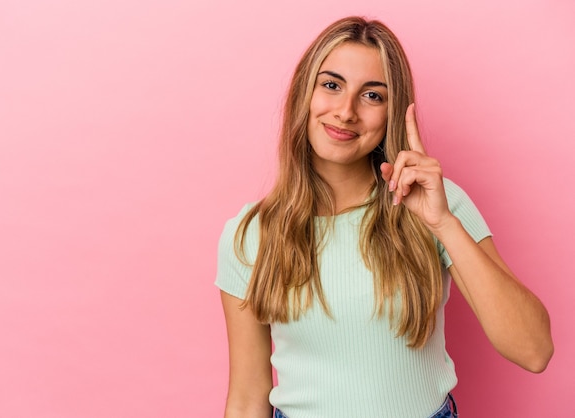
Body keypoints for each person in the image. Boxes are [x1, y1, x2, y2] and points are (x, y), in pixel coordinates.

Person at [215, 16, 553, 418]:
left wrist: (443, 223)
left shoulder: (436, 204)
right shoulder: (250, 234)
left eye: (372, 96)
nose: (345, 112)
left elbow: (533, 351)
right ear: (305, 93)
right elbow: (247, 396)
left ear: (393, 113)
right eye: (331, 85)